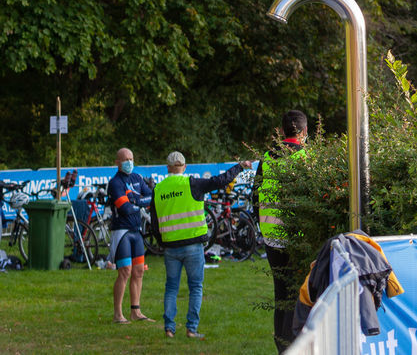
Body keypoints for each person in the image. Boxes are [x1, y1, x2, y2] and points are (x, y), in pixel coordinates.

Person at [153, 151, 250, 339]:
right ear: (185, 167)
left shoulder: (158, 188)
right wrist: (239, 166)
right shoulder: (193, 183)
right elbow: (220, 180)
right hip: (193, 245)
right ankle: (191, 329)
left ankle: (169, 329)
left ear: (167, 168)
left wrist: (161, 242)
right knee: (195, 287)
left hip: (170, 247)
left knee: (171, 287)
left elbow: (155, 223)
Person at [252, 109, 308, 353]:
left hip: (271, 236)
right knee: (299, 294)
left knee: (281, 293)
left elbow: (254, 196)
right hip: (297, 238)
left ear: (283, 131)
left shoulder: (266, 157)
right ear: (304, 132)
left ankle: (282, 345)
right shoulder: (305, 157)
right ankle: (293, 345)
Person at [106, 147, 154, 323]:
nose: (129, 162)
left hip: (136, 230)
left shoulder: (137, 178)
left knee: (139, 271)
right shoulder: (115, 183)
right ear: (117, 162)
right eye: (125, 159)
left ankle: (136, 311)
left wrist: (136, 201)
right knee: (125, 272)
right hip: (122, 231)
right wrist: (140, 202)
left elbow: (152, 196)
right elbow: (125, 209)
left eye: (131, 158)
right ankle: (118, 314)